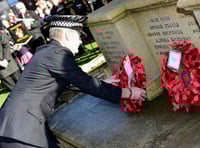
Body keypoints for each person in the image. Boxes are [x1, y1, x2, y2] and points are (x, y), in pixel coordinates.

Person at [0, 15, 146, 148]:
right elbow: (87, 84)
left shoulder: (47, 51)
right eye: (79, 36)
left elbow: (67, 80)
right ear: (69, 35)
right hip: (20, 131)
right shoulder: (58, 54)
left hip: (17, 125)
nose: (81, 40)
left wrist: (104, 81)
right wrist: (128, 92)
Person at [0, 23, 20, 91]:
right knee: (13, 92)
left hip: (10, 64)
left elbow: (6, 45)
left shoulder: (1, 33)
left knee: (22, 85)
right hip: (2, 71)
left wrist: (5, 59)